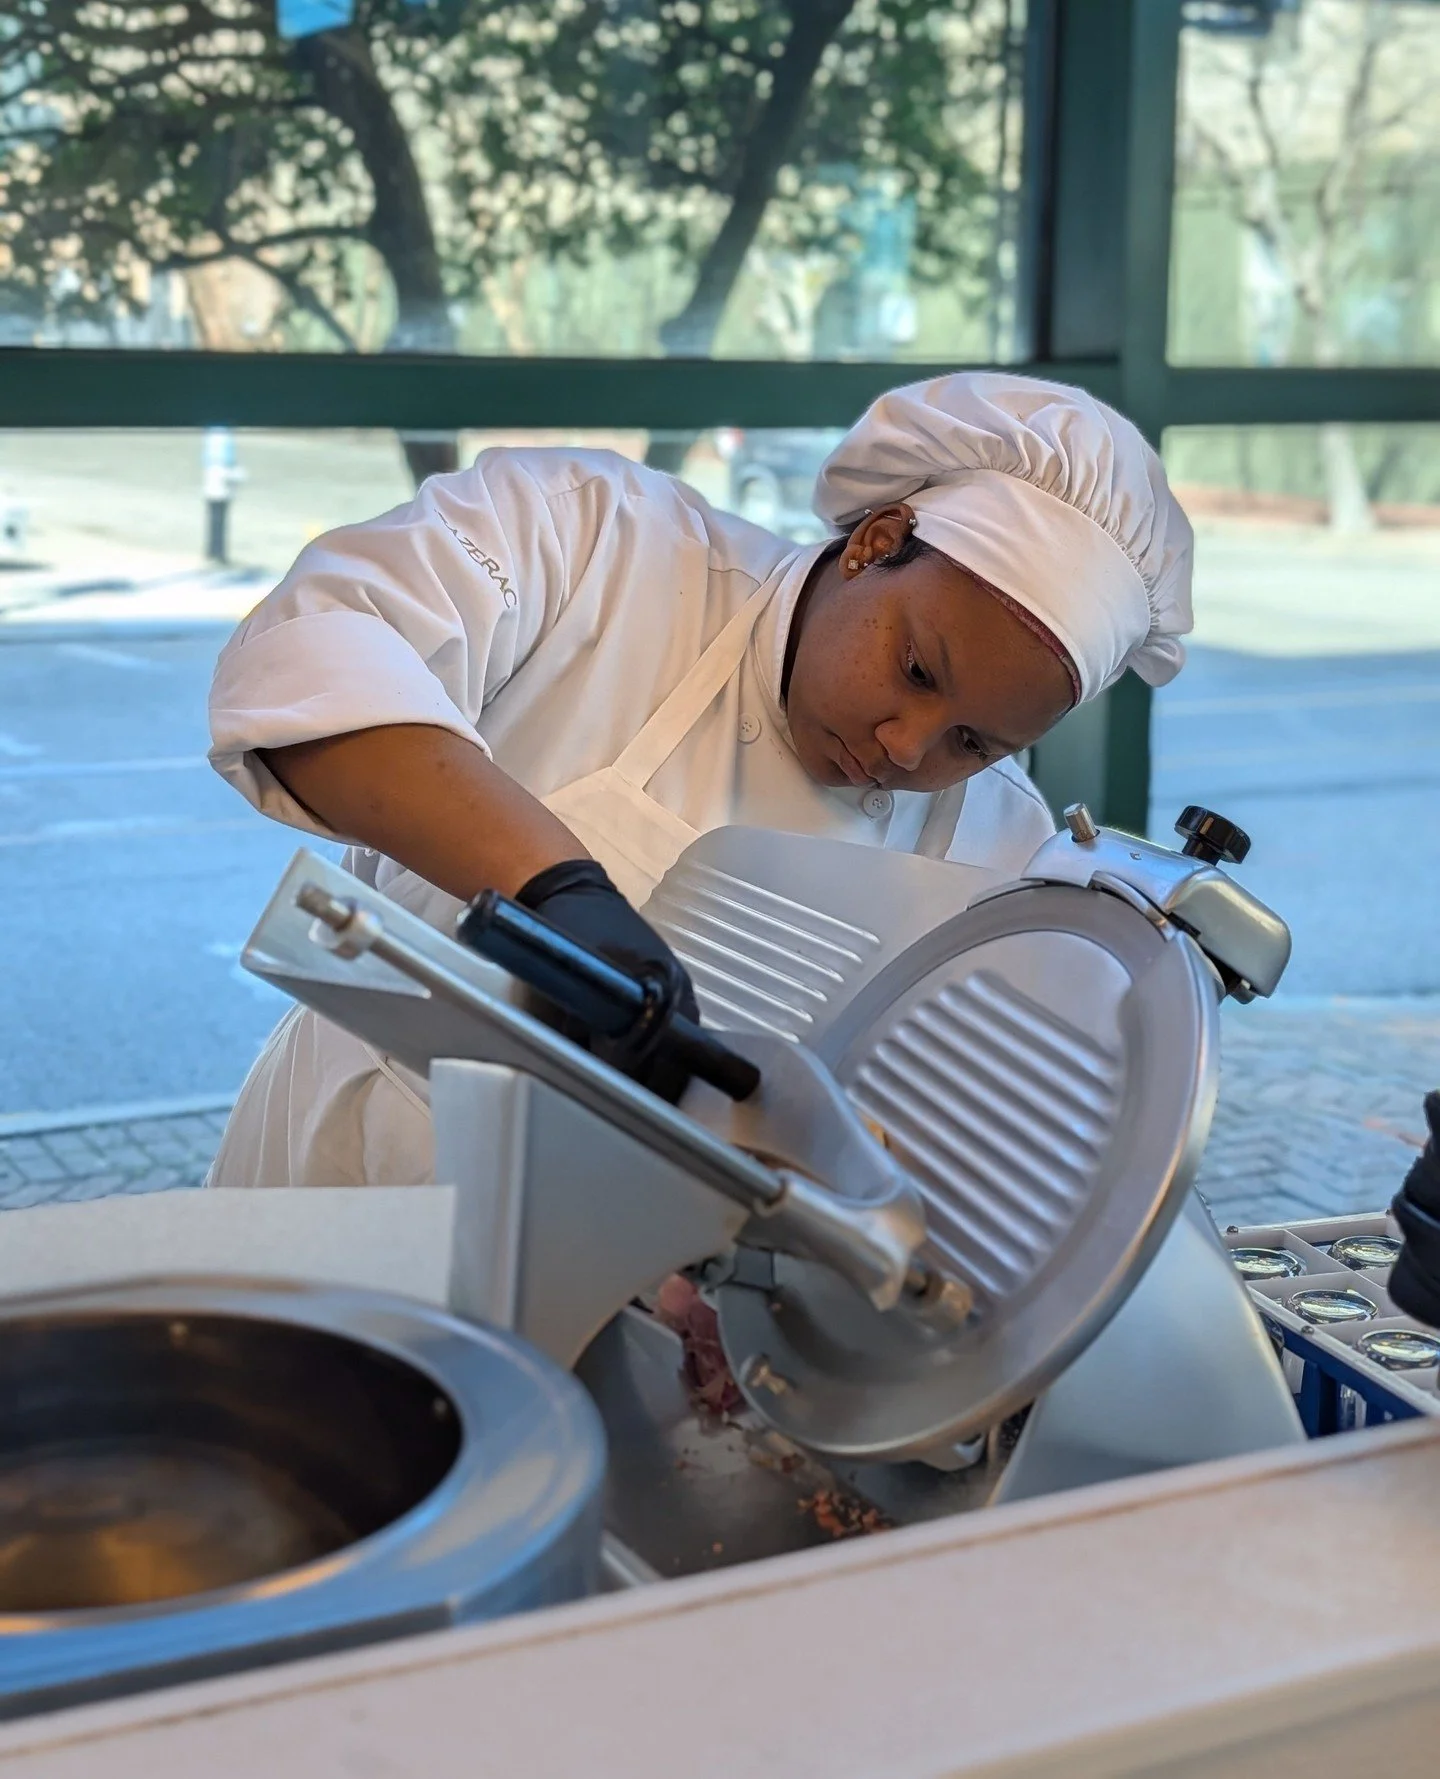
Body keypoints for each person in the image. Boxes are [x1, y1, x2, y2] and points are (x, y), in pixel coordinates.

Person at [207, 373, 1193, 1189]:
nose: (908, 748)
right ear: (875, 542)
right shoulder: (595, 542)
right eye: (918, 672)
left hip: (652, 1292)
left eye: (975, 742)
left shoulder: (997, 858)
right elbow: (313, 657)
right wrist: (561, 892)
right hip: (353, 1178)